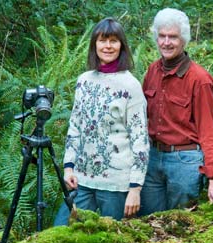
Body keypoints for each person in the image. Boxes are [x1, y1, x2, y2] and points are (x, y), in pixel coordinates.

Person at [54, 18, 149, 224]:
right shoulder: (84, 80)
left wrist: (135, 188)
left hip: (116, 184)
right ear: (94, 45)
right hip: (82, 179)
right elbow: (75, 127)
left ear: (121, 46)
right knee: (61, 229)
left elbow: (140, 138)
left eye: (114, 41)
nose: (107, 46)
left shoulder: (130, 85)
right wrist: (69, 167)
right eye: (102, 40)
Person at [139, 8, 213, 216]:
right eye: (162, 36)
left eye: (172, 37)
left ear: (184, 40)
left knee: (181, 226)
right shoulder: (152, 71)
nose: (166, 42)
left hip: (185, 162)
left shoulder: (199, 80)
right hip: (152, 158)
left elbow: (209, 131)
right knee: (147, 224)